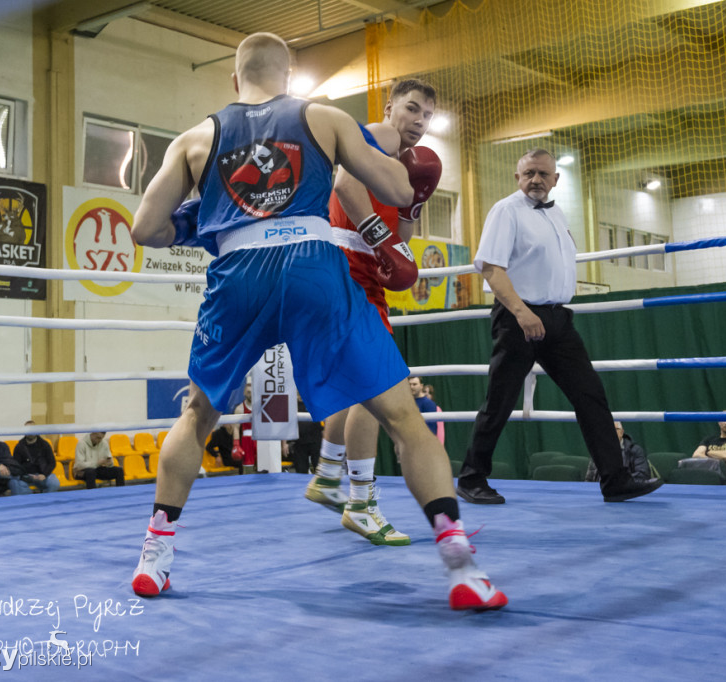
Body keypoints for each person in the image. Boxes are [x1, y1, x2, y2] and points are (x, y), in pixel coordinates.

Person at [128, 33, 505, 611]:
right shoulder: (324, 117)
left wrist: (202, 218)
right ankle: (460, 565)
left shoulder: (196, 138)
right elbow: (398, 188)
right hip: (314, 268)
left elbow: (145, 230)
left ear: (235, 80)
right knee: (403, 415)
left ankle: (154, 557)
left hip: (237, 273)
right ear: (290, 74)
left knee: (198, 414)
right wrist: (412, 189)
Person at [457, 148, 661, 505]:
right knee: (500, 400)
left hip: (557, 318)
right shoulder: (506, 211)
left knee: (590, 394)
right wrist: (522, 312)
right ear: (517, 177)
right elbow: (490, 267)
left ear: (555, 179)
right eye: (529, 173)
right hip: (519, 317)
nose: (536, 179)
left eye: (542, 174)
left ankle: (615, 479)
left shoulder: (558, 213)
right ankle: (472, 477)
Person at [305, 78, 441, 547]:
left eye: (427, 116)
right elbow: (343, 183)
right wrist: (380, 239)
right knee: (379, 384)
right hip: (349, 262)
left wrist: (414, 210)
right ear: (390, 108)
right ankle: (361, 504)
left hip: (356, 268)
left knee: (361, 385)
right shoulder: (378, 136)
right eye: (412, 109)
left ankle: (327, 475)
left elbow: (401, 228)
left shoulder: (413, 164)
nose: (419, 122)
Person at [691, 413, 726, 484]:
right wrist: (722, 463)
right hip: (708, 480)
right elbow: (696, 455)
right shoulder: (709, 440)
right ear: (719, 422)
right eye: (723, 419)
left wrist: (708, 452)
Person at [585, 422, 651, 483]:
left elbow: (643, 475)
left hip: (626, 491)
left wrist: (618, 482)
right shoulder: (599, 451)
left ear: (622, 432)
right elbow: (589, 480)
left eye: (616, 429)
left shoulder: (635, 450)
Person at [11, 421, 61, 494]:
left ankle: (44, 500)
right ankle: (31, 498)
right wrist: (27, 476)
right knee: (17, 486)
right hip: (26, 477)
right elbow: (16, 466)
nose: (31, 432)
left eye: (33, 429)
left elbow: (52, 463)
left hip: (43, 475)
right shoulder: (19, 447)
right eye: (28, 430)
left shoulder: (45, 445)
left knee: (54, 483)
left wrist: (44, 474)